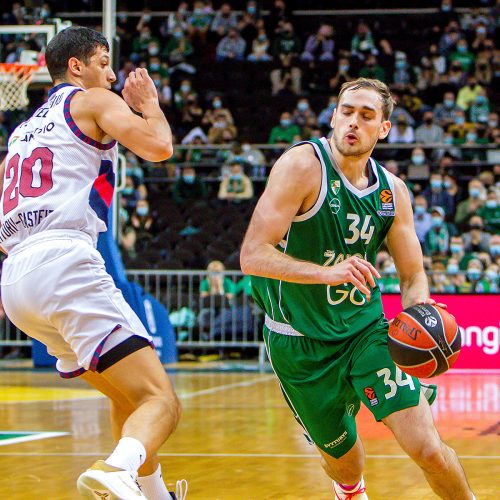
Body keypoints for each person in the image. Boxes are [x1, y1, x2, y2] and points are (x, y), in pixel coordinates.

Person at [240, 78, 474, 499]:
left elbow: (412, 276)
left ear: (383, 128)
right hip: (299, 342)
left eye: (366, 116)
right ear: (333, 116)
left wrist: (419, 312)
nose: (353, 122)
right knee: (345, 463)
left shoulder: (392, 192)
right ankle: (351, 490)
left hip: (365, 332)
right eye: (346, 112)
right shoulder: (302, 166)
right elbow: (252, 254)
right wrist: (326, 272)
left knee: (429, 449)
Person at [0, 27, 186, 499]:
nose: (112, 71)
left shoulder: (21, 133)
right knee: (161, 399)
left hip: (17, 277)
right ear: (77, 67)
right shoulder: (91, 100)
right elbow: (160, 148)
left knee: (128, 393)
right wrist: (150, 105)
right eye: (104, 61)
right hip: (64, 261)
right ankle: (114, 471)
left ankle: (154, 493)